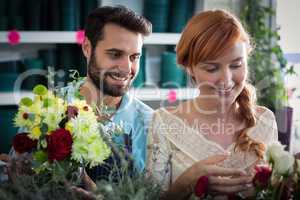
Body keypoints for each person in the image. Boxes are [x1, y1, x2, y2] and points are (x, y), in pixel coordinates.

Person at [147, 9, 278, 199]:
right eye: (212, 68)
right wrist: (188, 181)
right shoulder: (164, 123)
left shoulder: (265, 121)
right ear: (190, 68)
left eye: (236, 65)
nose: (226, 80)